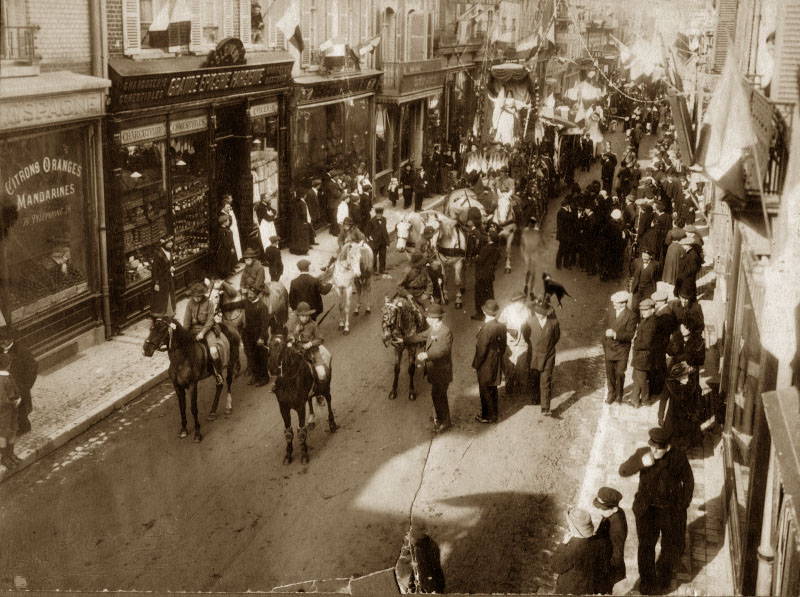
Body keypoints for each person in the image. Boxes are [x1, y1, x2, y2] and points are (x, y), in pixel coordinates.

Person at [619, 427, 694, 594]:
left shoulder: (678, 457)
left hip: (670, 511)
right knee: (646, 547)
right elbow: (622, 471)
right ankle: (647, 582)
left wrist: (683, 504)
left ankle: (664, 576)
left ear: (667, 447)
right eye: (651, 446)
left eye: (658, 449)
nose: (654, 451)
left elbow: (688, 481)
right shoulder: (643, 453)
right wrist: (640, 463)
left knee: (669, 546)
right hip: (647, 511)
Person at [409, 304, 453, 433]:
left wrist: (427, 355)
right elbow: (420, 336)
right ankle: (440, 417)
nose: (427, 319)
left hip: (442, 372)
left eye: (429, 317)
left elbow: (444, 350)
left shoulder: (445, 331)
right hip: (434, 371)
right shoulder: (432, 329)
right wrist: (404, 340)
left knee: (440, 396)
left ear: (435, 318)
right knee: (435, 394)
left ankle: (445, 422)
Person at [551, 507, 611, 595]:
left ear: (572, 527)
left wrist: (563, 545)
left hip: (570, 589)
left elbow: (555, 567)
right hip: (588, 588)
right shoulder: (600, 542)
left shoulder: (572, 548)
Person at [220, 283, 271, 386]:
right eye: (249, 292)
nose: (249, 294)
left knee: (261, 357)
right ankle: (255, 376)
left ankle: (264, 377)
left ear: (257, 294)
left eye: (252, 293)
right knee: (251, 356)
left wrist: (261, 338)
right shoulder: (246, 302)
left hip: (259, 337)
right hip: (248, 335)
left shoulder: (262, 307)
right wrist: (220, 307)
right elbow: (234, 305)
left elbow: (265, 325)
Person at [183, 282, 230, 384]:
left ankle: (217, 373)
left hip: (207, 331)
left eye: (198, 296)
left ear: (202, 295)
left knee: (213, 351)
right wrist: (184, 333)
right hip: (192, 330)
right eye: (194, 297)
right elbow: (186, 320)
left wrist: (202, 333)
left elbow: (210, 321)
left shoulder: (209, 303)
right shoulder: (190, 304)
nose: (196, 299)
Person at [472, 299, 507, 424]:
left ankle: (487, 416)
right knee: (493, 388)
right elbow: (503, 345)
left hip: (486, 363)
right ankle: (494, 413)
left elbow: (481, 351)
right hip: (495, 360)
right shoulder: (501, 326)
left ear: (483, 311)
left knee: (485, 390)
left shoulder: (486, 329)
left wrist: (476, 364)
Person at [526, 297, 560, 416]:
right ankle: (536, 398)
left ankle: (545, 408)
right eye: (537, 312)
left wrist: (547, 348)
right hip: (534, 355)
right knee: (534, 378)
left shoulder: (553, 322)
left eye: (542, 313)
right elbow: (526, 337)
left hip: (548, 355)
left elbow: (556, 338)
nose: (539, 315)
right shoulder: (529, 321)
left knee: (546, 380)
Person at [603, 290, 638, 404]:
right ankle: (611, 393)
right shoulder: (610, 312)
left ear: (623, 303)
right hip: (609, 347)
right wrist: (604, 341)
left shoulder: (631, 316)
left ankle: (619, 395)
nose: (614, 305)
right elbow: (604, 327)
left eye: (616, 303)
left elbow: (630, 335)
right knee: (610, 373)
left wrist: (615, 334)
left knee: (619, 373)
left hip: (622, 349)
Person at [0, 330, 36, 435]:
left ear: (10, 339)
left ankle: (23, 427)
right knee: (9, 407)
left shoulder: (21, 350)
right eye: (1, 341)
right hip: (5, 385)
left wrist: (27, 385)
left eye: (5, 341)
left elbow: (32, 368)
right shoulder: (1, 350)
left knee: (21, 407)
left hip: (19, 385)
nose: (3, 343)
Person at [593, 487, 628, 594]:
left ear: (614, 509)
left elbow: (617, 557)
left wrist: (599, 569)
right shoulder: (613, 513)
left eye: (603, 509)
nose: (599, 510)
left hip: (607, 572)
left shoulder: (617, 528)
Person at [288, 302, 332, 387]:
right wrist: (293, 335)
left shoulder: (313, 325)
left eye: (307, 315)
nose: (305, 318)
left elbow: (320, 339)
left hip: (312, 352)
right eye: (302, 315)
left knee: (321, 373)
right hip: (296, 350)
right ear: (298, 315)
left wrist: (311, 343)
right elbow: (289, 334)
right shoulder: (294, 323)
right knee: (284, 365)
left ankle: (320, 392)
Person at [498, 292, 531, 397]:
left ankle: (521, 386)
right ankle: (509, 385)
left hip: (523, 344)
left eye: (522, 302)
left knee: (522, 366)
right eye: (517, 302)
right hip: (510, 344)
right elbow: (500, 325)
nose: (520, 305)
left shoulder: (528, 311)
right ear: (514, 302)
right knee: (508, 366)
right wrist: (508, 330)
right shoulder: (507, 311)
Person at [630, 298, 657, 408]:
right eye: (642, 310)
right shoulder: (646, 319)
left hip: (643, 356)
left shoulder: (651, 323)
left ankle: (646, 400)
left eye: (646, 310)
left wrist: (634, 344)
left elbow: (646, 343)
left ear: (652, 310)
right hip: (640, 356)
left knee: (642, 380)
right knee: (636, 378)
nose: (643, 312)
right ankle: (635, 400)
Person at [471, 231, 502, 320]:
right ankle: (492, 310)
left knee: (479, 294)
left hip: (481, 275)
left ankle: (480, 314)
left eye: (488, 236)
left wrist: (476, 258)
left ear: (490, 238)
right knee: (489, 293)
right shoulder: (496, 249)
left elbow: (480, 261)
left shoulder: (486, 248)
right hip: (489, 275)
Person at [0, 352, 22, 468]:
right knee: (4, 432)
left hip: (13, 409)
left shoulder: (8, 375)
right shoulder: (1, 379)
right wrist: (13, 402)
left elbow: (16, 388)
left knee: (13, 429)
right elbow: (2, 399)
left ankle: (11, 453)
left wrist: (19, 397)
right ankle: (4, 457)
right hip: (5, 411)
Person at [151, 235, 176, 318]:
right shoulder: (158, 253)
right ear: (164, 244)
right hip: (161, 279)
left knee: (169, 294)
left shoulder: (169, 251)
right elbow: (155, 269)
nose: (171, 243)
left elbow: (170, 262)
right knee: (162, 296)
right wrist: (156, 283)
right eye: (169, 242)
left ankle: (169, 312)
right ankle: (161, 314)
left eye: (171, 241)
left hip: (168, 278)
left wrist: (171, 267)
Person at [673, 235, 702, 300]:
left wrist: (683, 274)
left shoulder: (693, 255)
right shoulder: (691, 252)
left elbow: (693, 268)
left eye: (684, 245)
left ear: (689, 245)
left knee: (687, 293)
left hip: (687, 278)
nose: (683, 247)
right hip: (687, 278)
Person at [365, 205, 390, 276]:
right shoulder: (371, 221)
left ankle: (382, 269)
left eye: (380, 214)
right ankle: (374, 270)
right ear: (376, 214)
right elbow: (367, 232)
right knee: (374, 257)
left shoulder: (384, 219)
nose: (379, 215)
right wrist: (370, 239)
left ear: (382, 214)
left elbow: (384, 229)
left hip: (383, 241)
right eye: (377, 214)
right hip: (375, 242)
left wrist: (387, 239)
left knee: (383, 255)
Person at [555, 199, 577, 270]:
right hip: (565, 235)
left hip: (563, 235)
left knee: (562, 250)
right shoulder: (563, 212)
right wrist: (570, 211)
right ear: (567, 205)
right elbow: (569, 219)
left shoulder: (561, 212)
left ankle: (559, 265)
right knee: (565, 250)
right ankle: (565, 264)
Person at [254, 193, 278, 257]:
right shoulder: (260, 207)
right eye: (268, 197)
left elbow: (274, 211)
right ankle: (265, 258)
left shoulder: (267, 205)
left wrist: (272, 214)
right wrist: (273, 216)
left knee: (270, 239)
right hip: (264, 227)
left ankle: (271, 254)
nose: (269, 198)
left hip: (269, 226)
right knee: (265, 240)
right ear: (263, 199)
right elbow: (267, 218)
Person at [220, 193, 242, 262]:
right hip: (230, 229)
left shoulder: (230, 210)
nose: (232, 199)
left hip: (233, 229)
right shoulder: (223, 214)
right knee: (231, 245)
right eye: (230, 198)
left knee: (235, 243)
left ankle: (235, 261)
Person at [216, 214, 238, 279]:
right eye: (228, 221)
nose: (229, 222)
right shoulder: (222, 230)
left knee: (227, 262)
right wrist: (230, 248)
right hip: (224, 249)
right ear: (224, 222)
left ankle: (227, 275)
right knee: (224, 263)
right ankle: (224, 278)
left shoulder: (226, 228)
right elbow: (224, 241)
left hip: (228, 249)